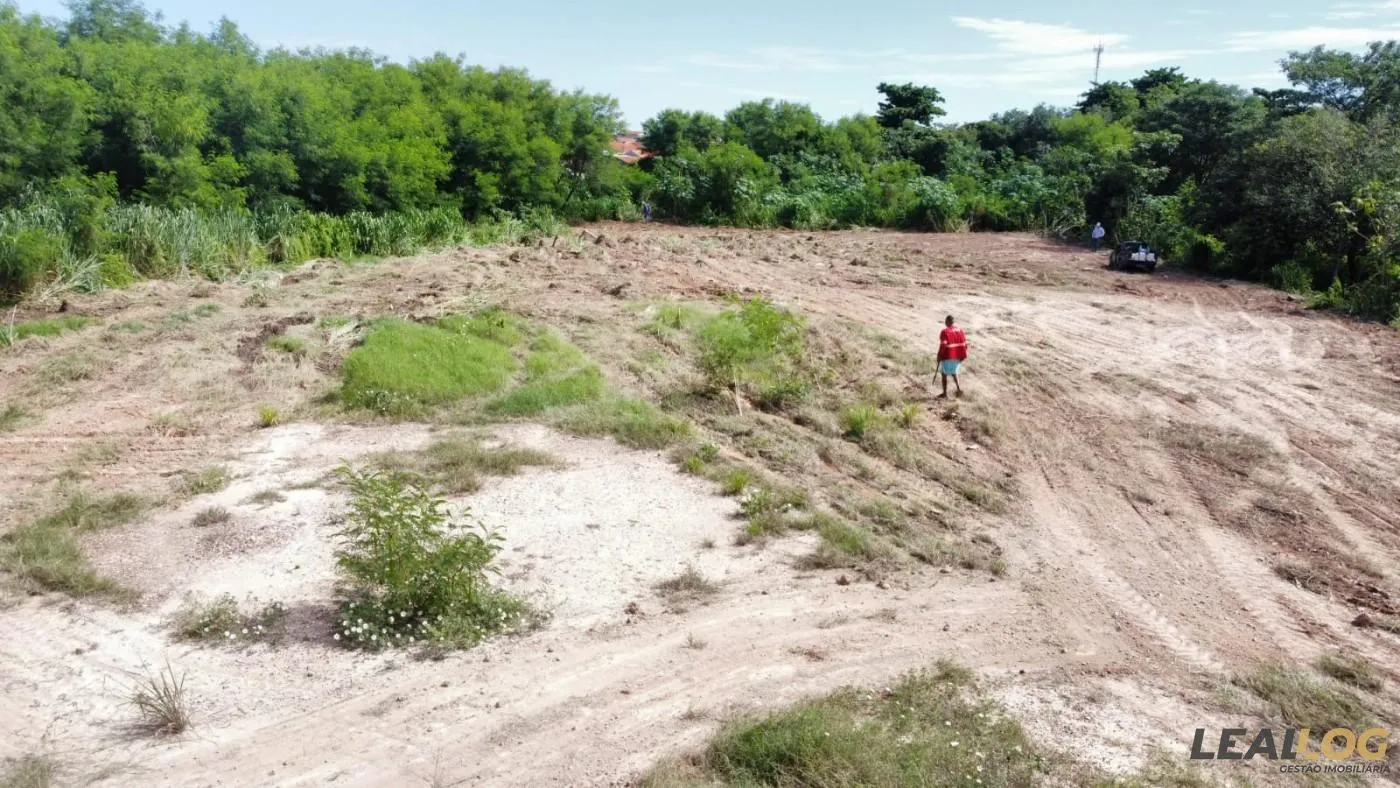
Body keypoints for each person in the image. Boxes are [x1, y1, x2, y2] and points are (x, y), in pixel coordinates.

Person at [936, 314, 967, 399]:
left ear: (947, 322)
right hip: (957, 356)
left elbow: (943, 345)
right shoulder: (960, 330)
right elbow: (965, 344)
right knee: (954, 372)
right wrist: (962, 356)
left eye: (945, 322)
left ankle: (945, 393)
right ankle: (959, 389)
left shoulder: (945, 331)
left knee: (944, 374)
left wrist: (939, 356)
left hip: (948, 356)